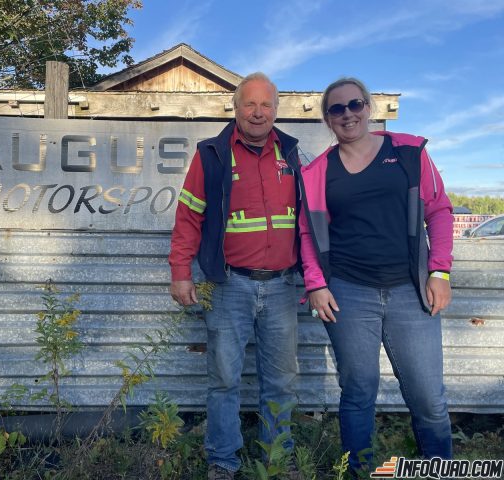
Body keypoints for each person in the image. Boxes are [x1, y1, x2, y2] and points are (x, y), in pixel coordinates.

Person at [299, 77, 454, 476]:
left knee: (427, 397)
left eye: (354, 104)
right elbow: (307, 233)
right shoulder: (317, 172)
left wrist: (439, 271)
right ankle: (357, 471)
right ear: (327, 120)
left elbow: (438, 211)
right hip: (348, 294)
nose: (347, 114)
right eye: (337, 109)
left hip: (410, 291)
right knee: (358, 392)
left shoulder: (408, 153)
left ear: (368, 108)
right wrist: (315, 283)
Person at [169, 72, 304, 480]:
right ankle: (223, 460)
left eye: (266, 105)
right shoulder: (211, 153)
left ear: (276, 110)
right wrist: (180, 272)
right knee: (224, 379)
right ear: (236, 107)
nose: (258, 112)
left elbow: (313, 218)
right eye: (250, 104)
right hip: (229, 285)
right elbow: (189, 215)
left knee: (281, 382)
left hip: (282, 286)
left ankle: (277, 460)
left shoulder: (294, 153)